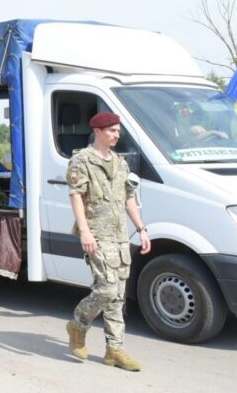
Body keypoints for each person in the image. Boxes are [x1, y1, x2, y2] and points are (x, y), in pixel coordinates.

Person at [65, 112, 150, 371]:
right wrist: (84, 231)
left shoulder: (120, 163)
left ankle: (114, 350)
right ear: (98, 131)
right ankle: (78, 324)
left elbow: (128, 198)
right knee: (107, 290)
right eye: (112, 130)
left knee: (118, 297)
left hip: (120, 237)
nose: (116, 135)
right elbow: (76, 196)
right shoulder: (82, 160)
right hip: (97, 235)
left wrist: (141, 228)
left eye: (118, 131)